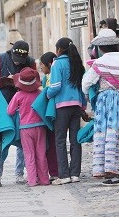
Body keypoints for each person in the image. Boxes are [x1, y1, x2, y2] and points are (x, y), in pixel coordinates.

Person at [0, 40, 36, 184]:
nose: (17, 63)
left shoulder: (30, 62)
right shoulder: (1, 58)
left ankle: (19, 173)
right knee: (2, 141)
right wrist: (6, 81)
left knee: (23, 143)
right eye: (15, 59)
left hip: (23, 108)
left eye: (20, 61)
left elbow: (35, 82)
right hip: (4, 106)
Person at [46, 37, 86, 185]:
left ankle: (64, 175)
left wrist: (47, 94)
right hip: (76, 106)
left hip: (62, 107)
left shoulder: (57, 64)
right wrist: (83, 106)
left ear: (59, 50)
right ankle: (75, 174)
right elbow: (81, 87)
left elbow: (55, 86)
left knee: (60, 141)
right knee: (75, 140)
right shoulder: (76, 63)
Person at [82, 29, 119, 185]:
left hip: (106, 102)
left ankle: (111, 171)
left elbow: (86, 83)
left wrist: (87, 98)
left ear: (101, 48)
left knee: (106, 133)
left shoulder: (99, 63)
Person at [7, 68, 50, 187]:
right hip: (41, 126)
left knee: (29, 154)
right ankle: (44, 179)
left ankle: (32, 180)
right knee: (41, 154)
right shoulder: (40, 93)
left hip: (25, 128)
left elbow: (10, 111)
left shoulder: (18, 95)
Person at [39, 52, 59, 181]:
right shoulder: (45, 77)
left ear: (49, 64)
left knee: (53, 144)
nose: (40, 67)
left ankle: (55, 171)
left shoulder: (54, 77)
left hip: (53, 113)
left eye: (41, 64)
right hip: (48, 113)